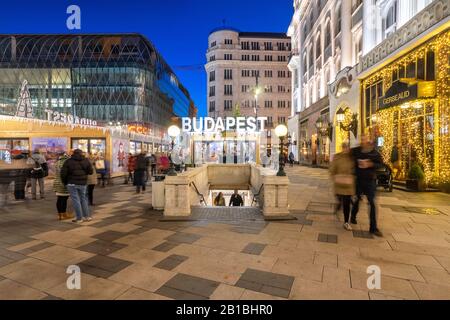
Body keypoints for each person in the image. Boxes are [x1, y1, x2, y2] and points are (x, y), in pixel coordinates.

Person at [350, 135, 383, 237]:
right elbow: (349, 158)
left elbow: (380, 164)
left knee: (372, 203)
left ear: (369, 141)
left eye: (365, 140)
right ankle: (353, 216)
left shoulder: (374, 153)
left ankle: (373, 228)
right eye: (362, 140)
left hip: (370, 181)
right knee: (357, 200)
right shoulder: (356, 151)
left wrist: (370, 164)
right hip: (359, 180)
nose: (363, 142)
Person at [61, 149, 93, 223]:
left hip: (72, 183)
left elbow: (63, 174)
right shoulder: (86, 160)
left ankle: (79, 218)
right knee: (83, 199)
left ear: (73, 153)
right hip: (83, 183)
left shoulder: (68, 161)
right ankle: (87, 216)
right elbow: (90, 172)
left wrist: (65, 182)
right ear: (81, 153)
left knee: (76, 200)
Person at [329, 142, 355, 231]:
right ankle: (338, 206)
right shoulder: (337, 157)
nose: (346, 149)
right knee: (340, 200)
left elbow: (354, 169)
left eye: (347, 147)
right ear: (342, 148)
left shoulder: (351, 157)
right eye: (344, 147)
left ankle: (346, 222)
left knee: (347, 203)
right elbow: (332, 169)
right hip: (339, 184)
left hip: (348, 184)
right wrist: (334, 177)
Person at [53, 153, 72, 220]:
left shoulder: (57, 162)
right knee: (64, 199)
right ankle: (64, 214)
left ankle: (59, 215)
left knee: (59, 199)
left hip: (56, 183)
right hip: (64, 183)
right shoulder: (67, 163)